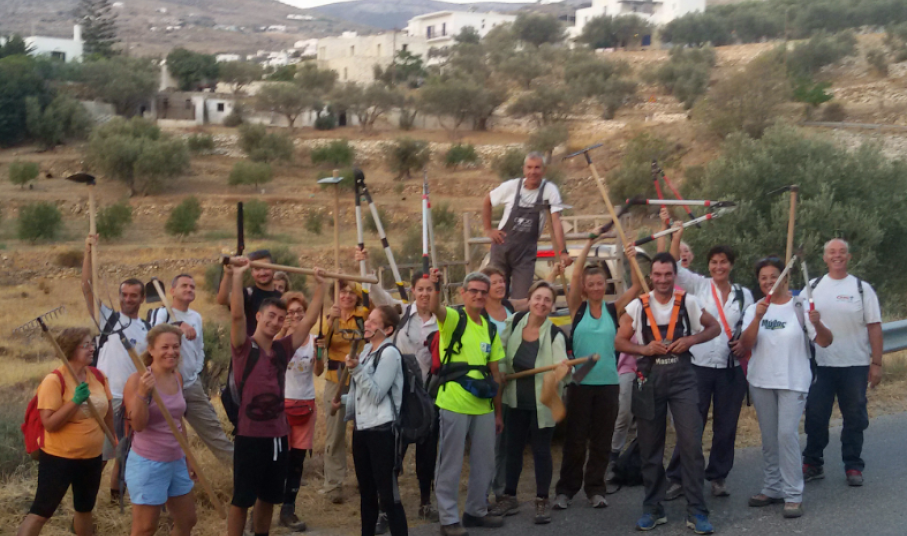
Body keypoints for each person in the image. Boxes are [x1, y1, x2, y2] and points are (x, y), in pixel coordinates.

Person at [615, 252, 721, 534]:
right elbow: (619, 340)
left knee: (691, 445)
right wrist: (643, 348)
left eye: (667, 274)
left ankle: (697, 510)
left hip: (683, 379)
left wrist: (691, 339)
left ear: (675, 275)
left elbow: (715, 327)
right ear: (651, 276)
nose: (662, 280)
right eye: (658, 275)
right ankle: (653, 507)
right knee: (650, 447)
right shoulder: (637, 306)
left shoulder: (688, 301)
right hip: (649, 379)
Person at [226, 257, 325, 536]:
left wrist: (322, 286)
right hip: (249, 435)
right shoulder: (243, 347)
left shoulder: (282, 349)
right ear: (258, 317)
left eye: (280, 319)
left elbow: (309, 321)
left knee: (268, 497)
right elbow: (236, 316)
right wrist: (237, 275)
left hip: (278, 436)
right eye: (270, 316)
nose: (275, 322)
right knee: (242, 499)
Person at [663, 223, 755, 499]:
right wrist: (676, 237)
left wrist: (744, 343)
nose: (718, 267)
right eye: (714, 262)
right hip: (699, 367)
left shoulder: (744, 294)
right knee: (691, 424)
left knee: (726, 426)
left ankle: (718, 476)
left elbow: (750, 326)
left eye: (723, 262)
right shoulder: (698, 286)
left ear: (731, 265)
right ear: (709, 265)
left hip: (730, 368)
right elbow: (673, 267)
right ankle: (679, 477)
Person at [740, 256, 833, 519]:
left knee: (786, 435)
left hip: (793, 380)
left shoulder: (800, 306)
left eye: (774, 276)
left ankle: (793, 494)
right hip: (761, 380)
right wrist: (757, 318)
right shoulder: (755, 308)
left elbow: (825, 341)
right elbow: (745, 344)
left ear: (785, 278)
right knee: (769, 438)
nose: (769, 281)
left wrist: (817, 322)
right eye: (763, 278)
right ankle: (772, 487)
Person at [554, 241, 641, 510]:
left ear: (605, 285)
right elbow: (574, 277)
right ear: (584, 287)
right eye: (590, 284)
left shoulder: (613, 309)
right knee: (575, 439)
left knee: (602, 440)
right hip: (580, 381)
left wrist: (631, 258)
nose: (595, 288)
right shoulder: (576, 308)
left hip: (608, 383)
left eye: (600, 283)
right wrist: (588, 245)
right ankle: (566, 490)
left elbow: (637, 287)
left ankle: (595, 489)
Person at [429, 269, 506, 536]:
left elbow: (495, 373)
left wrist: (498, 413)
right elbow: (435, 307)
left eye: (483, 292)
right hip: (454, 401)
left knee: (485, 461)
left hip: (483, 405)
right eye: (473, 290)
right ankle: (448, 519)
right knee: (450, 463)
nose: (478, 295)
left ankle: (476, 511)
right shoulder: (453, 318)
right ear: (462, 293)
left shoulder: (490, 329)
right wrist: (436, 285)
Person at [17, 328, 113, 536]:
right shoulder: (54, 381)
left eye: (92, 343)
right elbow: (50, 423)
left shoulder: (98, 376)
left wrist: (114, 440)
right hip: (59, 458)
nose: (92, 348)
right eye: (86, 345)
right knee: (42, 511)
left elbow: (108, 413)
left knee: (85, 509)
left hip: (91, 457)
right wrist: (75, 401)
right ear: (70, 349)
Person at [802, 239, 883, 486]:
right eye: (832, 252)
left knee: (855, 417)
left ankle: (853, 465)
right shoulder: (812, 287)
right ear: (824, 258)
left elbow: (874, 326)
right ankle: (813, 462)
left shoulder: (862, 289)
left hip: (855, 364)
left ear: (849, 257)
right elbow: (803, 325)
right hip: (822, 365)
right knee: (816, 416)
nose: (837, 256)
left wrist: (876, 363)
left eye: (842, 252)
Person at [320, 247, 396, 505]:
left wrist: (364, 264)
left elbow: (378, 299)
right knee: (335, 433)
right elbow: (320, 347)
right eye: (341, 291)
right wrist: (329, 323)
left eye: (351, 292)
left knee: (369, 429)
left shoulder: (365, 316)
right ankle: (334, 484)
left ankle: (373, 476)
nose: (347, 296)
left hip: (363, 379)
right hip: (336, 380)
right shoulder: (327, 318)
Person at [495, 281, 570, 524]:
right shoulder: (515, 321)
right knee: (513, 449)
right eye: (538, 298)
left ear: (552, 306)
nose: (541, 303)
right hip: (515, 400)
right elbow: (500, 350)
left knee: (541, 451)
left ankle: (541, 500)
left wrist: (560, 371)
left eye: (547, 300)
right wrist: (501, 370)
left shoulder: (555, 334)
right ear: (529, 300)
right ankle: (509, 496)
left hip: (542, 403)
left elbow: (561, 370)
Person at [82, 234, 149, 502]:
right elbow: (87, 288)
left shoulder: (147, 329)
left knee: (125, 453)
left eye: (133, 295)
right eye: (124, 294)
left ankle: (115, 499)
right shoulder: (108, 319)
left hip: (132, 399)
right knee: (99, 455)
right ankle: (84, 501)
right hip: (107, 397)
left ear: (142, 298)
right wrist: (88, 251)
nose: (127, 299)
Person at [147, 274, 234, 465]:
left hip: (191, 384)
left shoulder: (195, 317)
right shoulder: (162, 313)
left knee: (214, 431)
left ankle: (239, 472)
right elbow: (153, 334)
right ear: (172, 291)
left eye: (192, 287)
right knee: (162, 435)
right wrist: (178, 325)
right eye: (184, 286)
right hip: (164, 386)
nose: (189, 289)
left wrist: (196, 370)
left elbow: (199, 347)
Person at [123, 324, 197, 536]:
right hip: (148, 463)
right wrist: (142, 393)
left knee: (187, 520)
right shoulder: (138, 379)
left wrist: (188, 456)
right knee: (145, 528)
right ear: (151, 349)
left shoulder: (177, 377)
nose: (171, 352)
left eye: (176, 346)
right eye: (165, 347)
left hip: (176, 460)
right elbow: (138, 425)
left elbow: (178, 421)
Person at [341, 306, 408, 536]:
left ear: (387, 329)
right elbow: (361, 394)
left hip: (382, 431)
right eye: (367, 320)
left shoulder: (390, 354)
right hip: (362, 429)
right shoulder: (367, 351)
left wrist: (357, 369)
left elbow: (377, 394)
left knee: (388, 495)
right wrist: (342, 402)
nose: (366, 324)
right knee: (367, 493)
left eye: (373, 321)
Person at [483, 152, 572, 300]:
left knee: (523, 298)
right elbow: (487, 201)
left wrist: (563, 251)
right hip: (501, 249)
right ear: (524, 169)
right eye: (529, 167)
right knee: (495, 295)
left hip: (525, 255)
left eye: (537, 167)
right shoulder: (511, 186)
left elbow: (556, 221)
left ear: (544, 170)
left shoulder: (549, 190)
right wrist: (488, 230)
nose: (533, 172)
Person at [274, 291, 323, 531]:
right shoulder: (278, 340)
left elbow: (319, 371)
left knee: (296, 462)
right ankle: (261, 510)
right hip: (281, 407)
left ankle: (288, 509)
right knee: (277, 460)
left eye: (299, 312)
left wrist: (321, 352)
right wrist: (283, 330)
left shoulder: (314, 340)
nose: (295, 316)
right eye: (290, 312)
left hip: (305, 405)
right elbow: (270, 359)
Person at [393, 272, 440, 522]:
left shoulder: (442, 319)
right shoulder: (401, 313)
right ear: (412, 291)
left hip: (429, 394)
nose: (424, 294)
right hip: (401, 394)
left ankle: (425, 502)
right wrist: (362, 262)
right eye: (420, 289)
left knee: (427, 452)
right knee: (395, 451)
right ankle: (387, 506)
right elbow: (374, 292)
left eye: (429, 289)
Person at [217, 249, 283, 336]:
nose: (262, 273)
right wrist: (228, 273)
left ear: (274, 269)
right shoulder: (247, 294)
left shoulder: (282, 297)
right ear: (252, 272)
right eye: (257, 269)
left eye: (266, 268)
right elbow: (222, 300)